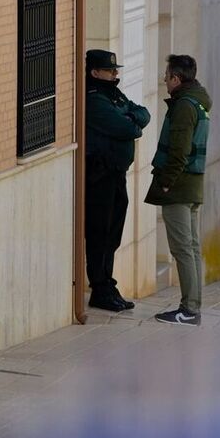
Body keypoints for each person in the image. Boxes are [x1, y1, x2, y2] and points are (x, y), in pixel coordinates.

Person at [145, 53, 211, 325]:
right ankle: (192, 307)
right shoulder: (198, 101)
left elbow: (179, 151)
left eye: (167, 76)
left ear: (176, 78)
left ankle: (189, 310)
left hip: (179, 186)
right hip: (191, 185)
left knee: (183, 249)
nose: (163, 80)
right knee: (192, 248)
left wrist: (165, 181)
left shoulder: (184, 106)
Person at [85, 49, 150, 313]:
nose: (115, 74)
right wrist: (132, 124)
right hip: (100, 174)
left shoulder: (114, 94)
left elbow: (143, 113)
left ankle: (108, 284)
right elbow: (126, 127)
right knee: (100, 232)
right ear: (95, 72)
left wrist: (131, 119)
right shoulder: (94, 99)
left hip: (116, 174)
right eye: (110, 70)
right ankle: (99, 288)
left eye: (115, 70)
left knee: (113, 232)